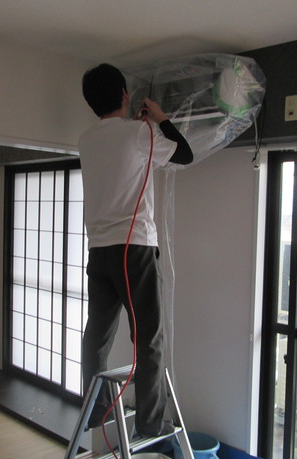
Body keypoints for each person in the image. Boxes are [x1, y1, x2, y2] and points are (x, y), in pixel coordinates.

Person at [78, 63, 193, 437]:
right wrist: (159, 119)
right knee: (149, 338)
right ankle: (150, 424)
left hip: (99, 251)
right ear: (125, 96)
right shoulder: (139, 133)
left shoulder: (86, 140)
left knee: (97, 335)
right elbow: (184, 154)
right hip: (135, 249)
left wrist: (145, 128)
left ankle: (96, 413)